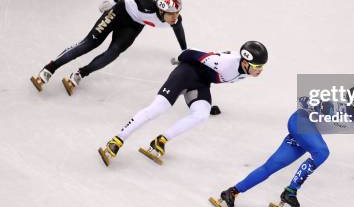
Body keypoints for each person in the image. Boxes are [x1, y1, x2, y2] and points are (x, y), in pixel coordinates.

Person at [212, 86, 354, 207]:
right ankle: (290, 191)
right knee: (322, 152)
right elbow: (303, 100)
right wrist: (315, 106)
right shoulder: (336, 106)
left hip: (305, 133)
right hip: (300, 122)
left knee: (270, 167)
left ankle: (231, 192)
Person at [97, 41, 268, 166]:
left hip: (201, 83)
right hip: (185, 73)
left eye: (261, 67)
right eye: (257, 66)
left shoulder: (246, 71)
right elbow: (193, 52)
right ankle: (117, 140)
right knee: (159, 107)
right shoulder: (224, 62)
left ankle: (160, 141)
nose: (259, 70)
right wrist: (178, 58)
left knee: (201, 115)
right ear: (245, 62)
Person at [30, 0, 186, 96]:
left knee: (113, 54)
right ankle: (49, 69)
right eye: (171, 14)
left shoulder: (175, 21)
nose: (175, 17)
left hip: (133, 25)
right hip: (119, 12)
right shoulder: (148, 4)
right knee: (90, 43)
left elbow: (180, 33)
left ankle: (80, 74)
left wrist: (184, 52)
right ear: (160, 10)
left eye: (177, 12)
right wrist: (112, 1)